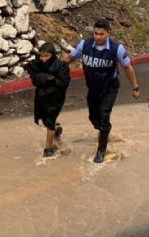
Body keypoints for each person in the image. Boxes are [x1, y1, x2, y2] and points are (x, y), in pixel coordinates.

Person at [62, 19, 140, 163]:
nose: (98, 37)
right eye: (96, 33)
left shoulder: (117, 49)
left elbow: (127, 68)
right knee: (93, 118)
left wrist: (135, 87)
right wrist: (53, 67)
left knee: (104, 115)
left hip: (110, 86)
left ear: (108, 34)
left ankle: (101, 151)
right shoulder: (84, 45)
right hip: (93, 87)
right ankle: (103, 130)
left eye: (101, 34)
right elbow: (70, 58)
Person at [27, 42, 70, 158]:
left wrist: (51, 80)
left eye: (47, 56)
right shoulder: (36, 64)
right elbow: (34, 78)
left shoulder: (61, 66)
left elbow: (64, 82)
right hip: (41, 96)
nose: (44, 59)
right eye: (42, 56)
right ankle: (56, 131)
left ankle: (48, 148)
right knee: (45, 120)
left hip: (56, 97)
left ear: (53, 55)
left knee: (50, 120)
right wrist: (46, 77)